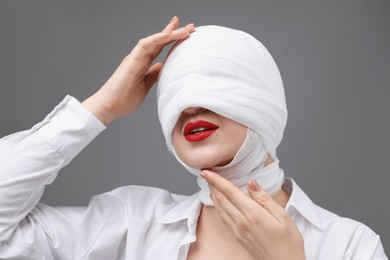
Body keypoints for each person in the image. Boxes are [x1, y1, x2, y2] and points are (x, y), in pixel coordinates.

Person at [0, 17, 387, 260]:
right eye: (175, 92)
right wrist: (101, 107)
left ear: (265, 101)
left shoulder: (351, 247)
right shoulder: (130, 225)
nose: (188, 106)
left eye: (216, 85)